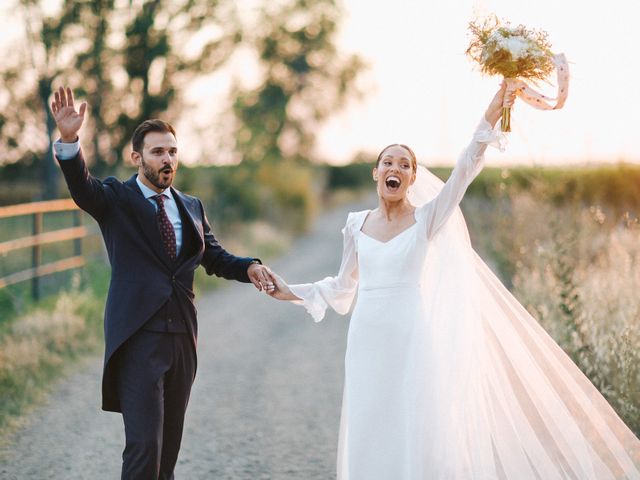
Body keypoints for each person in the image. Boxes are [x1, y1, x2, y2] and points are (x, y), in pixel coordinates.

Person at [267, 83, 640, 479]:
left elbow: (465, 167)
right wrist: (287, 290)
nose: (395, 168)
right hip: (367, 339)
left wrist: (494, 109)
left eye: (405, 164)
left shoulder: (427, 218)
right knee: (369, 419)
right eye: (388, 162)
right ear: (376, 173)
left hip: (412, 335)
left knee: (414, 423)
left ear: (412, 178)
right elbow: (343, 287)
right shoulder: (355, 224)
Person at [50, 86, 276, 480]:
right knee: (144, 448)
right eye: (158, 152)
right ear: (137, 157)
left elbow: (214, 256)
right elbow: (82, 187)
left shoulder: (190, 205)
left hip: (182, 338)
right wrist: (70, 141)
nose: (167, 159)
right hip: (138, 336)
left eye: (172, 151)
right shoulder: (116, 199)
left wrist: (249, 267)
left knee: (167, 452)